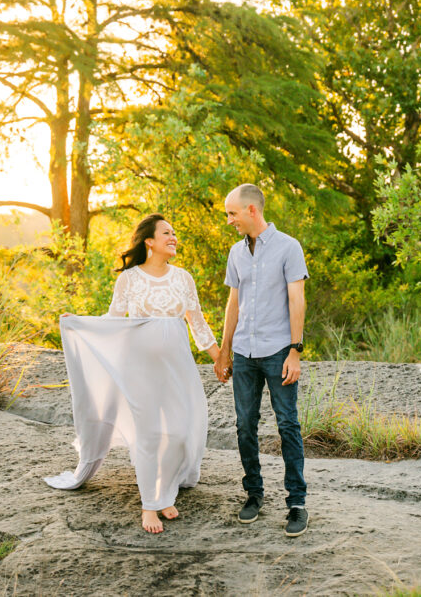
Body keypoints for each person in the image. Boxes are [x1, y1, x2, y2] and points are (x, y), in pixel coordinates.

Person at [46, 214, 220, 534]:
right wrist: (81, 322)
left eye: (175, 232)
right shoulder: (129, 278)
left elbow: (197, 323)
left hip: (177, 368)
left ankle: (165, 490)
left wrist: (220, 357)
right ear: (149, 242)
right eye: (166, 233)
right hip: (139, 367)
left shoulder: (183, 278)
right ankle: (149, 505)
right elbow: (114, 319)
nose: (174, 237)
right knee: (150, 434)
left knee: (180, 432)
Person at [213, 184, 310, 537]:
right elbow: (233, 303)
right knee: (244, 425)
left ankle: (296, 503)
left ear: (251, 211)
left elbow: (296, 300)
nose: (229, 220)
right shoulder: (236, 253)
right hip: (244, 354)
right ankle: (254, 494)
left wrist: (295, 350)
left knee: (287, 425)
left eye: (232, 213)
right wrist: (224, 350)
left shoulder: (289, 247)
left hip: (278, 353)